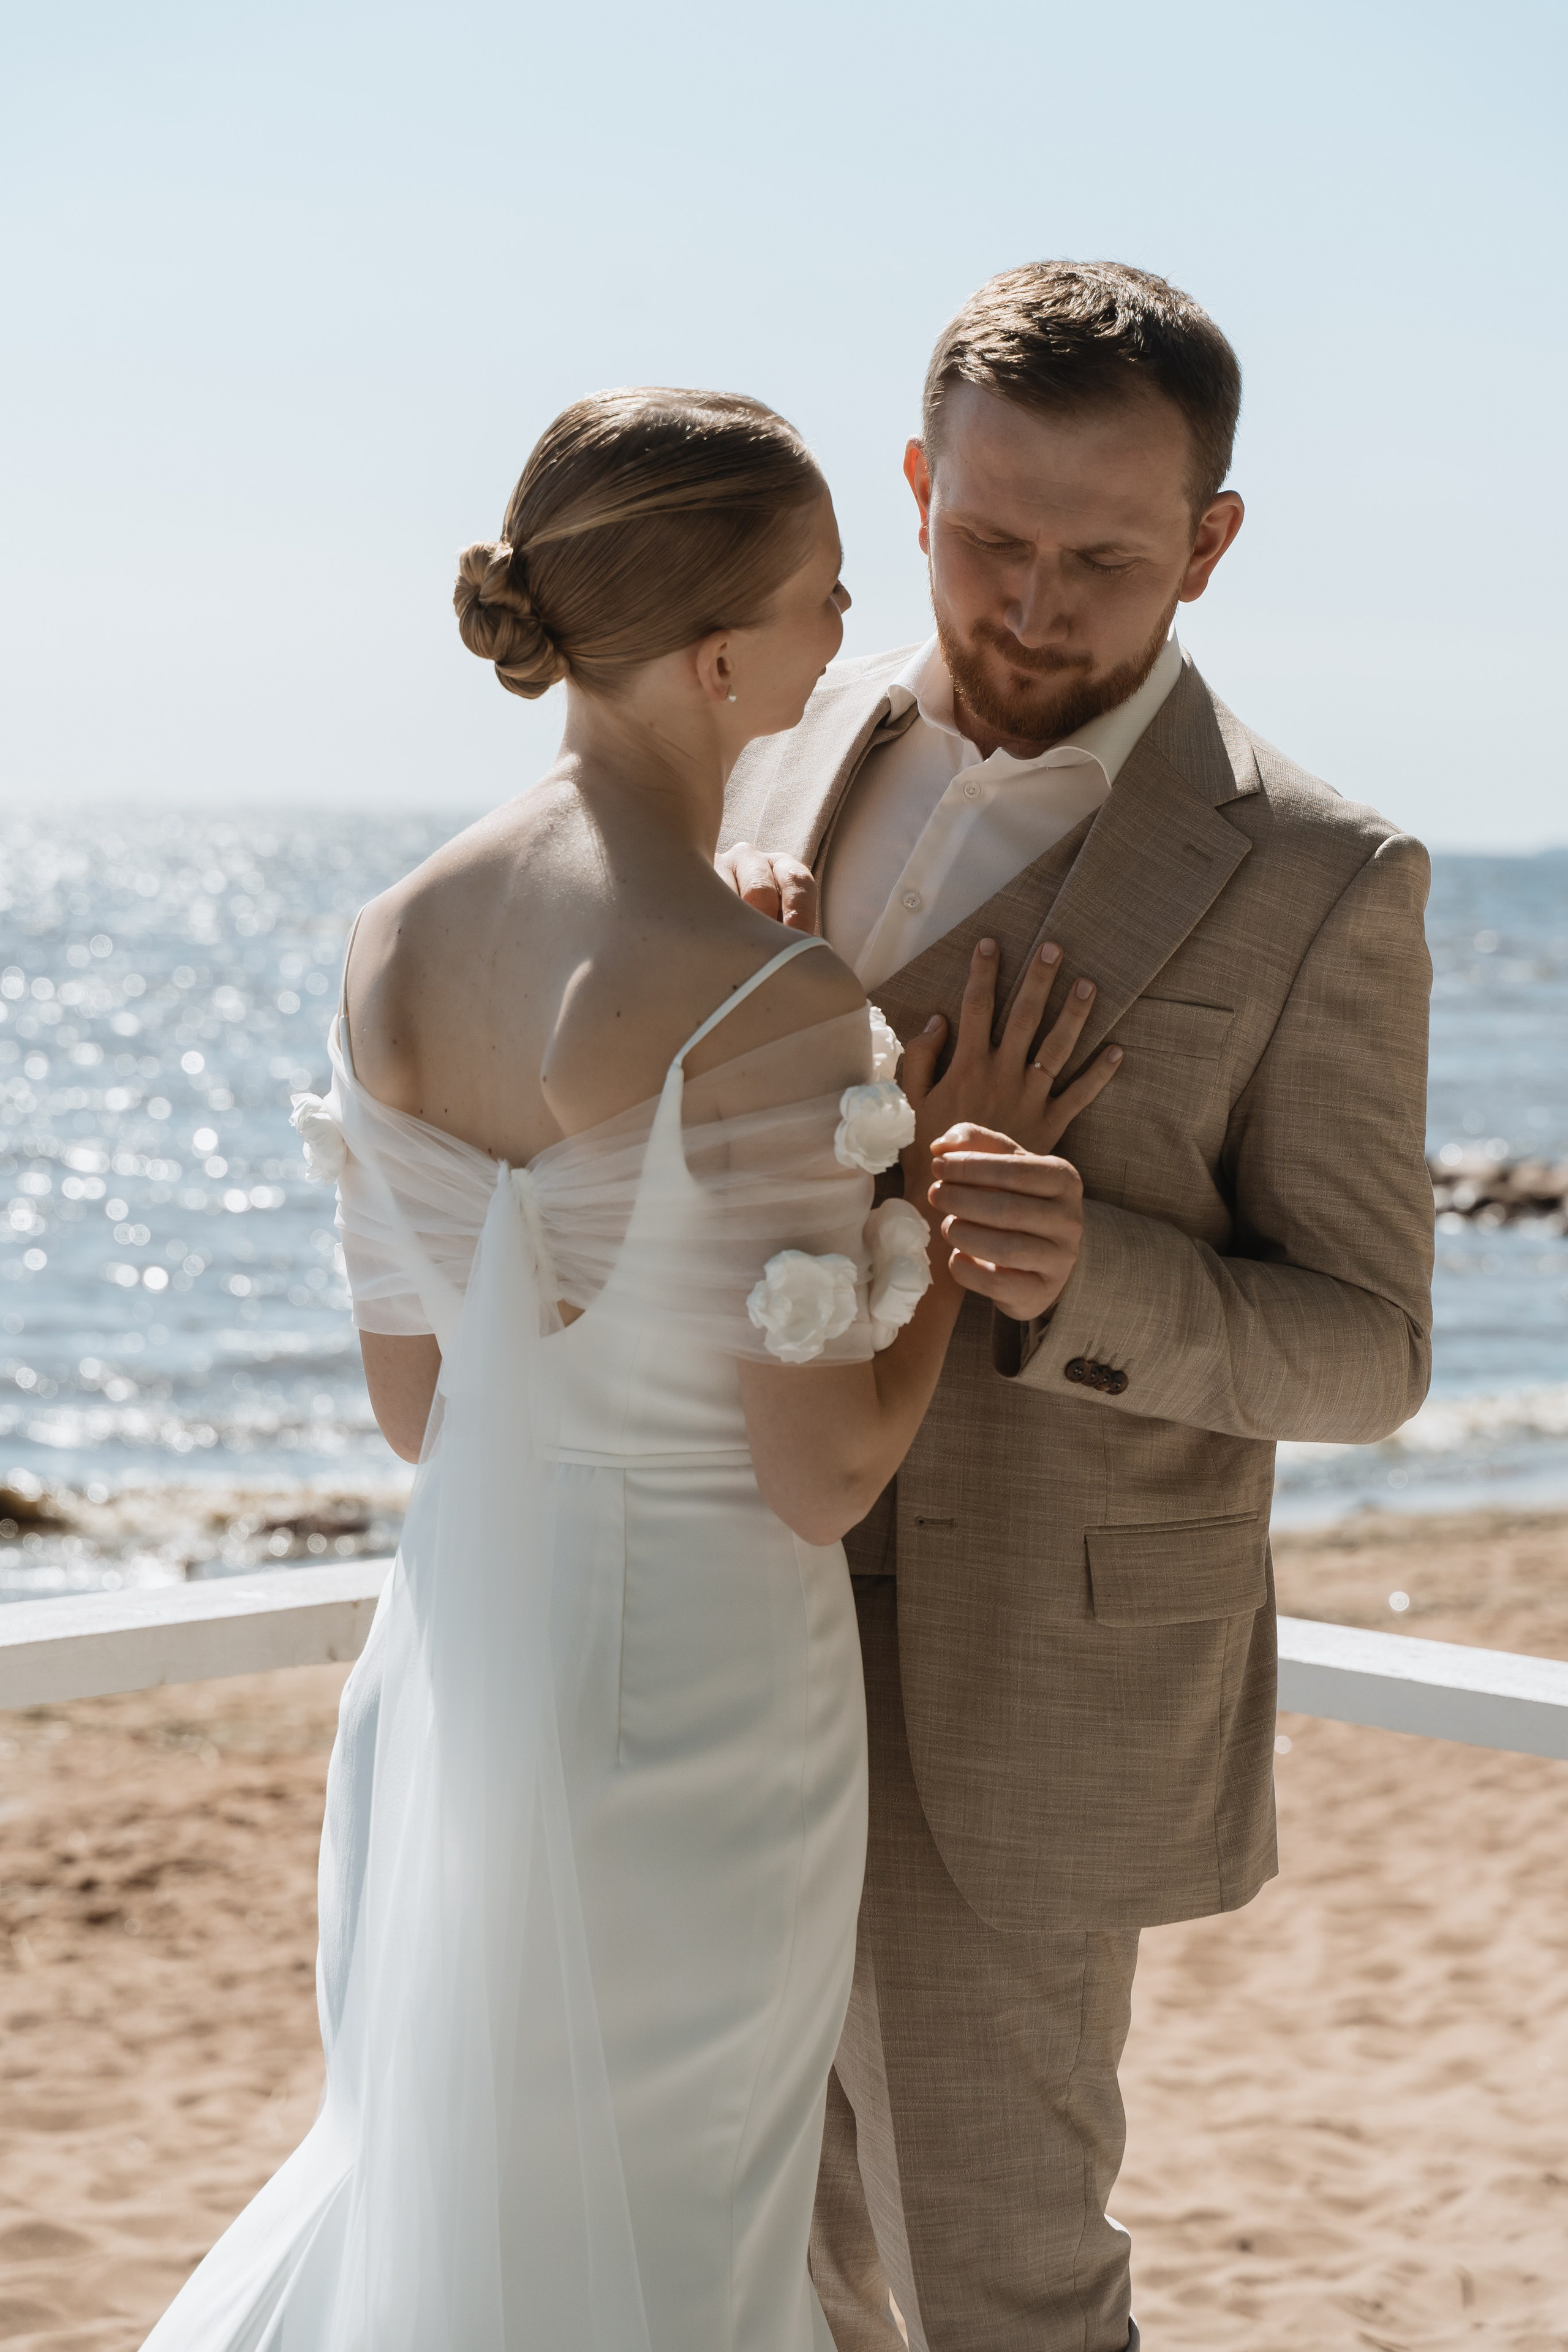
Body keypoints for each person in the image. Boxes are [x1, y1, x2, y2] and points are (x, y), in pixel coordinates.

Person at [140, 388, 1121, 2352]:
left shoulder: (391, 942)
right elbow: (823, 1471)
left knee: (463, 2187)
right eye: (825, 589)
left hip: (465, 1690)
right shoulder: (762, 996)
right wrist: (940, 1195)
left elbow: (423, 1412)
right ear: (721, 657)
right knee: (676, 2239)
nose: (856, 619)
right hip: (705, 1728)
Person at [721, 263, 1435, 2352]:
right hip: (719, 1630)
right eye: (989, 540)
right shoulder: (769, 768)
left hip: (1023, 1695)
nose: (1032, 605)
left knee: (1002, 2287)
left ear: (1211, 541)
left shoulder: (1324, 876)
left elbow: (1378, 1344)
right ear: (920, 483)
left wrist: (1085, 1272)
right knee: (782, 2256)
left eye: (1106, 559)